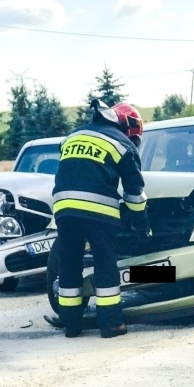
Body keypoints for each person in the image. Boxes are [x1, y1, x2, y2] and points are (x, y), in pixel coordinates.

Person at [50, 99, 148, 338]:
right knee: (105, 264)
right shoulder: (123, 144)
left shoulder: (72, 137)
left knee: (69, 263)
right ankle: (111, 324)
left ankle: (71, 324)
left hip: (64, 208)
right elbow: (134, 194)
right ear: (130, 128)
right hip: (99, 211)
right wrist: (140, 225)